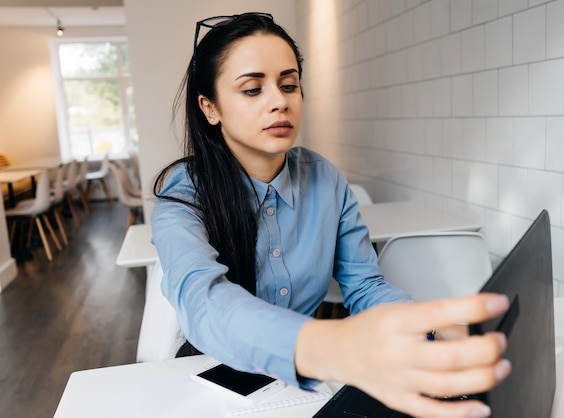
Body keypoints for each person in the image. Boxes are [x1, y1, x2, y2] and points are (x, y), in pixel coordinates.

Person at [152, 12, 511, 418]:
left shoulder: (325, 179)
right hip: (210, 377)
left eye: (289, 85)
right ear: (210, 108)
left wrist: (423, 328)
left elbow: (365, 285)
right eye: (253, 89)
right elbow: (204, 302)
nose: (279, 100)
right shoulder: (183, 192)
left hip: (298, 385)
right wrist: (330, 346)